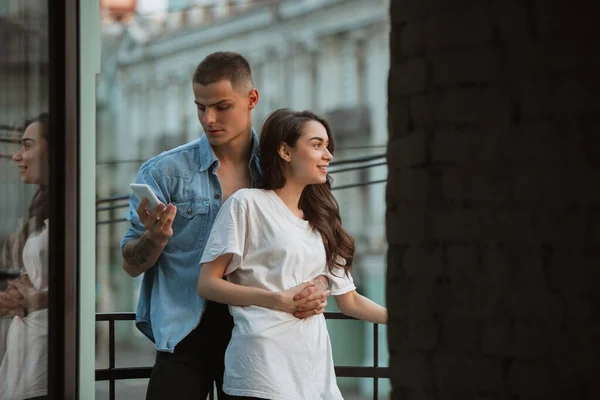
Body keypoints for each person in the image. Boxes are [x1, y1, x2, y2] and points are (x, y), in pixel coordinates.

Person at [120, 52, 330, 400]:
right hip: (185, 337)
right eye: (200, 107)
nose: (209, 118)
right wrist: (154, 239)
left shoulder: (281, 168)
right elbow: (130, 264)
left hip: (260, 337)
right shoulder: (163, 172)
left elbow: (315, 243)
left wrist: (318, 287)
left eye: (221, 106)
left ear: (252, 99)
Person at [198, 108, 388, 400]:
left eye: (327, 146)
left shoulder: (323, 220)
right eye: (316, 145)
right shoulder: (247, 204)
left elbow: (349, 300)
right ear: (285, 151)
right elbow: (207, 283)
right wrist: (276, 299)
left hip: (313, 371)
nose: (328, 156)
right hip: (260, 369)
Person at [0, 112, 50, 400]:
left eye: (27, 145)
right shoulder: (40, 207)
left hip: (47, 348)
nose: (17, 156)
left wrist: (38, 297)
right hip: (25, 343)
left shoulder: (73, 208)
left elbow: (74, 283)